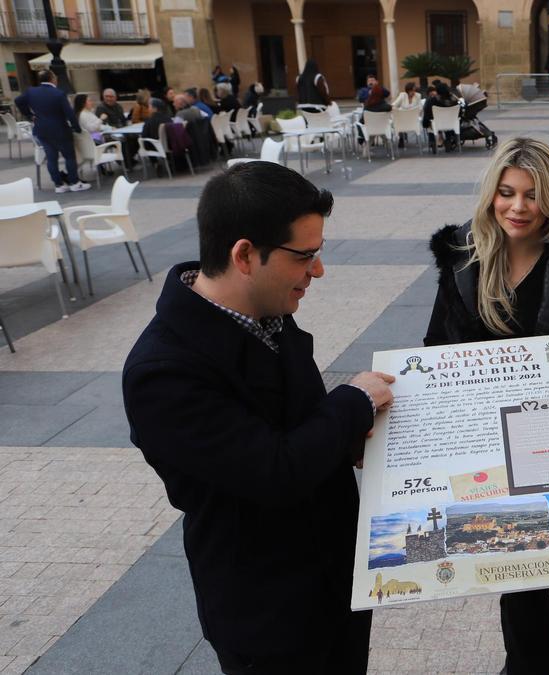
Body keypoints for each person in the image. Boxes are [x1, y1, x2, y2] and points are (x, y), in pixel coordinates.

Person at [123, 162, 393, 674]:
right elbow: (273, 471)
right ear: (244, 254)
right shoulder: (163, 372)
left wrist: (348, 441)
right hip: (268, 613)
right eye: (305, 257)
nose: (317, 271)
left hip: (334, 580)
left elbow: (297, 426)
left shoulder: (267, 312)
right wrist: (352, 402)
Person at [424, 138, 549, 672]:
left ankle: (529, 663)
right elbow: (436, 343)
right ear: (491, 194)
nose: (518, 207)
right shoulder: (462, 257)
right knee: (506, 551)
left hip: (546, 433)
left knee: (532, 558)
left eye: (531, 195)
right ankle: (526, 659)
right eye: (506, 193)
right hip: (477, 428)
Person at [15, 70, 90, 194]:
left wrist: (29, 115)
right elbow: (70, 114)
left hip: (42, 130)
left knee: (51, 158)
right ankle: (74, 183)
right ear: (52, 79)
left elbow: (18, 101)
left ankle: (58, 185)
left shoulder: (31, 91)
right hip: (60, 129)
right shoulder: (59, 93)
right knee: (69, 157)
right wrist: (77, 128)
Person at [422, 80, 459, 153]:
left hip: (436, 124)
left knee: (430, 124)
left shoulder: (431, 101)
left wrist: (426, 123)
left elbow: (427, 113)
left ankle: (432, 141)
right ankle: (448, 140)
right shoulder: (454, 101)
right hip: (451, 124)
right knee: (447, 123)